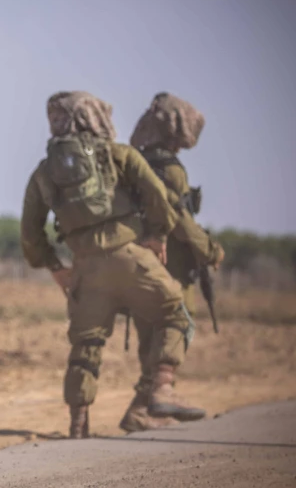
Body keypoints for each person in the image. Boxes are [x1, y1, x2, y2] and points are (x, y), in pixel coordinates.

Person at [20, 91, 206, 438]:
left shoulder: (45, 172)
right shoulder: (119, 154)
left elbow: (30, 234)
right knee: (175, 312)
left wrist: (56, 268)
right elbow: (158, 198)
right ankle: (163, 387)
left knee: (85, 344)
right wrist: (157, 237)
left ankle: (78, 424)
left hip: (85, 268)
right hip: (130, 256)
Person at [118, 92, 225, 432]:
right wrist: (210, 249)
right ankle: (162, 391)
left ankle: (141, 410)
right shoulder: (168, 169)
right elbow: (177, 219)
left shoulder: (135, 164)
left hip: (137, 262)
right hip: (170, 265)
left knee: (151, 333)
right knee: (177, 323)